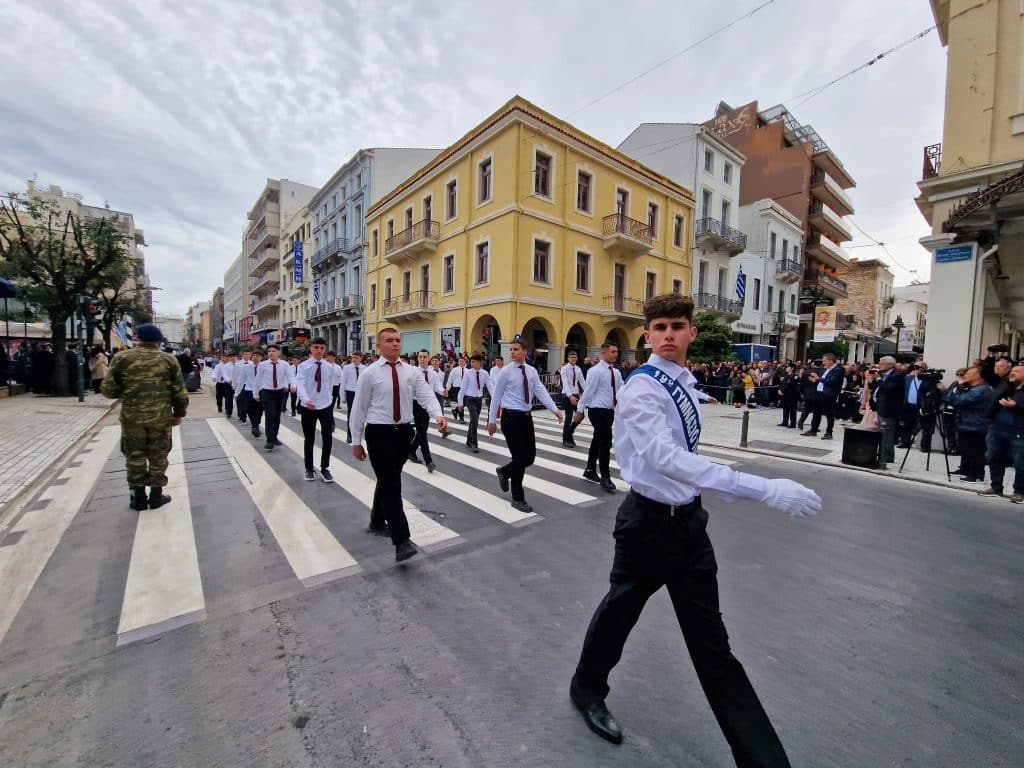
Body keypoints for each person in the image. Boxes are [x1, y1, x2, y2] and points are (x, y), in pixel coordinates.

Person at [569, 294, 821, 760]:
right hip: (646, 524)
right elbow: (664, 458)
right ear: (647, 335)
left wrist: (716, 487)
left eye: (677, 326)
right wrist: (759, 488)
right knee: (619, 614)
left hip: (688, 523)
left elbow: (685, 457)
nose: (668, 335)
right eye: (659, 326)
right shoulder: (642, 388)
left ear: (691, 334)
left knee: (713, 646)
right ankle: (587, 689)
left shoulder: (683, 381)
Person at [349, 327, 447, 562]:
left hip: (403, 432)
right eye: (389, 341)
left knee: (388, 478)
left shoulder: (411, 372)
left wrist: (438, 414)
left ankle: (376, 519)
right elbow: (359, 408)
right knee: (392, 484)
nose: (395, 344)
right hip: (378, 433)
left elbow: (424, 395)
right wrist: (355, 440)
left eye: (397, 340)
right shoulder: (370, 374)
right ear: (379, 346)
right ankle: (401, 540)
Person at [101, 324, 189, 511]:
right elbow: (180, 393)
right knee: (158, 455)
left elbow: (108, 390)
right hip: (161, 418)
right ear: (158, 341)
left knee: (134, 455)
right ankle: (156, 497)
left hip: (132, 418)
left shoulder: (122, 358)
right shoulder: (169, 360)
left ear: (137, 339)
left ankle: (137, 497)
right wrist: (179, 414)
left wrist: (127, 392)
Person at [487, 336, 564, 513]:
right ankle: (517, 497)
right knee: (520, 458)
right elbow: (496, 397)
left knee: (530, 457)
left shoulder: (531, 371)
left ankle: (505, 471)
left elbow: (540, 391)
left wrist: (554, 409)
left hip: (526, 418)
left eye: (515, 349)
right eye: (511, 350)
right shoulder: (505, 372)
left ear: (524, 352)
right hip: (510, 418)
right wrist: (492, 421)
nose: (512, 352)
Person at [574, 342, 621, 492]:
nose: (616, 354)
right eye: (613, 351)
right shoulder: (595, 371)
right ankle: (605, 477)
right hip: (597, 410)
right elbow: (588, 391)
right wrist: (580, 409)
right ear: (604, 352)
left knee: (597, 440)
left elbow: (623, 389)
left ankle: (589, 469)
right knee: (605, 441)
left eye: (616, 351)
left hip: (609, 411)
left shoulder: (616, 372)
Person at [295, 338, 341, 482]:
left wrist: (330, 401)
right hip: (308, 406)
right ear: (311, 349)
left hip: (325, 406)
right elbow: (300, 384)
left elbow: (331, 385)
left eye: (322, 348)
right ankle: (309, 468)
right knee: (309, 438)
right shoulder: (303, 366)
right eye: (316, 347)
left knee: (327, 437)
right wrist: (305, 399)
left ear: (325, 350)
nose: (319, 350)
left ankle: (325, 467)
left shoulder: (330, 367)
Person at [941, 366, 994, 485]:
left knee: (976, 450)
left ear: (978, 376)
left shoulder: (980, 390)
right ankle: (966, 470)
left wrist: (945, 391)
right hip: (968, 423)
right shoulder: (972, 388)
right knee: (967, 449)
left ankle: (977, 475)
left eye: (969, 373)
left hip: (976, 424)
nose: (965, 375)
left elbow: (960, 401)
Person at [409, 349, 445, 472]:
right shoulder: (413, 372)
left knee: (422, 431)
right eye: (420, 357)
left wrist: (443, 391)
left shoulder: (433, 374)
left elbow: (437, 386)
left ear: (428, 359)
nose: (423, 359)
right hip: (416, 404)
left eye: (425, 357)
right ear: (417, 358)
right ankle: (428, 461)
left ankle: (411, 451)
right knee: (423, 433)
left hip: (428, 404)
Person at [253, 344, 294, 451]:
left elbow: (290, 376)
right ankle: (269, 440)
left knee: (277, 416)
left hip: (280, 393)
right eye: (269, 351)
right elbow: (257, 380)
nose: (271, 353)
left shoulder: (285, 365)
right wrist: (256, 394)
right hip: (267, 392)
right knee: (270, 415)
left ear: (278, 353)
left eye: (273, 351)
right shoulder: (262, 365)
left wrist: (293, 385)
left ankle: (274, 437)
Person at [873, 356, 906, 469]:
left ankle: (885, 457)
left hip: (889, 410)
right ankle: (888, 455)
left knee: (887, 435)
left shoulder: (897, 375)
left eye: (882, 364)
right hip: (881, 407)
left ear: (890, 365)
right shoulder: (884, 375)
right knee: (884, 434)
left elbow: (887, 388)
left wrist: (878, 379)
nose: (879, 365)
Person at [802, 352, 843, 439]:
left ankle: (829, 432)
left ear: (831, 360)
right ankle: (813, 430)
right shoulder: (827, 369)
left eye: (825, 361)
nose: (823, 363)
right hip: (820, 393)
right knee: (817, 412)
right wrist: (816, 380)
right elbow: (823, 380)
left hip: (829, 395)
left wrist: (818, 378)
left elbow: (832, 381)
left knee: (829, 414)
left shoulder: (838, 370)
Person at [457, 354, 490, 452]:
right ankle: (474, 443)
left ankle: (468, 440)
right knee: (474, 420)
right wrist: (460, 403)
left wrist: (497, 399)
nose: (471, 363)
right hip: (469, 398)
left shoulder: (485, 373)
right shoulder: (468, 373)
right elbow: (462, 388)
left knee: (473, 421)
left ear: (479, 362)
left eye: (473, 361)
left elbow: (490, 386)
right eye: (471, 361)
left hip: (479, 399)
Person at [560, 351, 586, 448]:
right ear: (568, 358)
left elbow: (583, 382)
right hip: (567, 395)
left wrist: (589, 393)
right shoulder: (564, 369)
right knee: (569, 416)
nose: (573, 359)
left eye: (575, 357)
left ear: (577, 358)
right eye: (571, 357)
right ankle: (566, 439)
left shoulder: (578, 369)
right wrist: (570, 396)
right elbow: (565, 384)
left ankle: (569, 431)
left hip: (576, 394)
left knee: (581, 415)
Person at [341, 351, 366, 443]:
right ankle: (349, 435)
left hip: (361, 392)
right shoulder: (346, 368)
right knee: (351, 414)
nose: (354, 359)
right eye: (353, 357)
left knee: (360, 414)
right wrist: (342, 397)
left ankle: (358, 434)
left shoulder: (364, 368)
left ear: (361, 358)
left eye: (356, 357)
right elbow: (343, 382)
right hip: (350, 392)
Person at [242, 350, 264, 438]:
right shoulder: (246, 367)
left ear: (261, 357)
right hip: (249, 391)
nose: (255, 357)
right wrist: (237, 392)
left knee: (260, 410)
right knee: (250, 409)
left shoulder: (264, 366)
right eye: (254, 355)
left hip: (261, 391)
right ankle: (255, 426)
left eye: (257, 355)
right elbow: (241, 379)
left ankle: (256, 423)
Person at [232, 350, 253, 424]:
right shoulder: (237, 364)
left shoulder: (252, 364)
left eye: (249, 354)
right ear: (242, 355)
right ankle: (242, 415)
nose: (247, 356)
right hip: (240, 385)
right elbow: (235, 376)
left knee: (247, 402)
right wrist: (234, 386)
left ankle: (244, 415)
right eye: (246, 354)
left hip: (249, 386)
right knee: (240, 401)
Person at [777, 363, 800, 428]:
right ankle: (785, 422)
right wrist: (779, 390)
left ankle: (793, 423)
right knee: (785, 409)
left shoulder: (795, 376)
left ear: (792, 368)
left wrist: (782, 389)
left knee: (792, 409)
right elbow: (782, 384)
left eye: (788, 367)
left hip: (792, 395)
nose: (786, 368)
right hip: (785, 395)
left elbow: (790, 385)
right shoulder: (786, 376)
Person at [447, 356, 466, 423]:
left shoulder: (467, 370)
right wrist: (447, 388)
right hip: (457, 387)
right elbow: (450, 379)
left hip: (464, 388)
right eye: (460, 361)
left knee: (464, 402)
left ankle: (455, 410)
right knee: (460, 403)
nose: (461, 362)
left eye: (462, 361)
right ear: (458, 362)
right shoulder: (455, 370)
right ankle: (461, 418)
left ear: (465, 362)